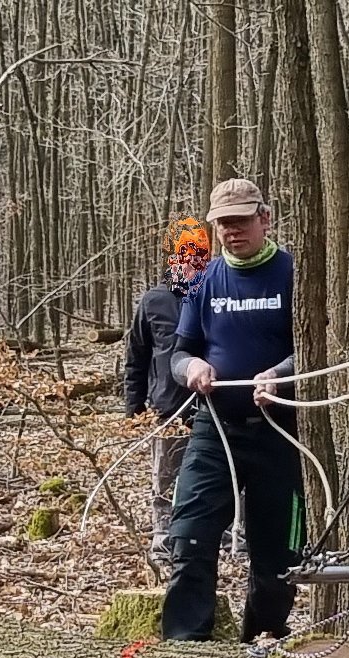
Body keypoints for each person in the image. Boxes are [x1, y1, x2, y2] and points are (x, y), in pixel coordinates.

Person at [160, 178, 305, 642]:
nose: (231, 231)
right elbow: (178, 354)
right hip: (214, 427)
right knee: (190, 537)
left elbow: (319, 348)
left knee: (278, 557)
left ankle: (260, 646)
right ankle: (186, 653)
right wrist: (192, 369)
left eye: (241, 221)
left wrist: (281, 372)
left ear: (265, 218)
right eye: (223, 223)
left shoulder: (293, 273)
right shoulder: (204, 281)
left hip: (280, 432)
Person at [126, 218, 211, 568]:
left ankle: (212, 534)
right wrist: (134, 409)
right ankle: (163, 539)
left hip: (211, 405)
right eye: (184, 255)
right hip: (166, 409)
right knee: (165, 479)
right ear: (171, 258)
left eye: (198, 256)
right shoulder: (153, 301)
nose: (191, 263)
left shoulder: (214, 295)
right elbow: (136, 358)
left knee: (210, 477)